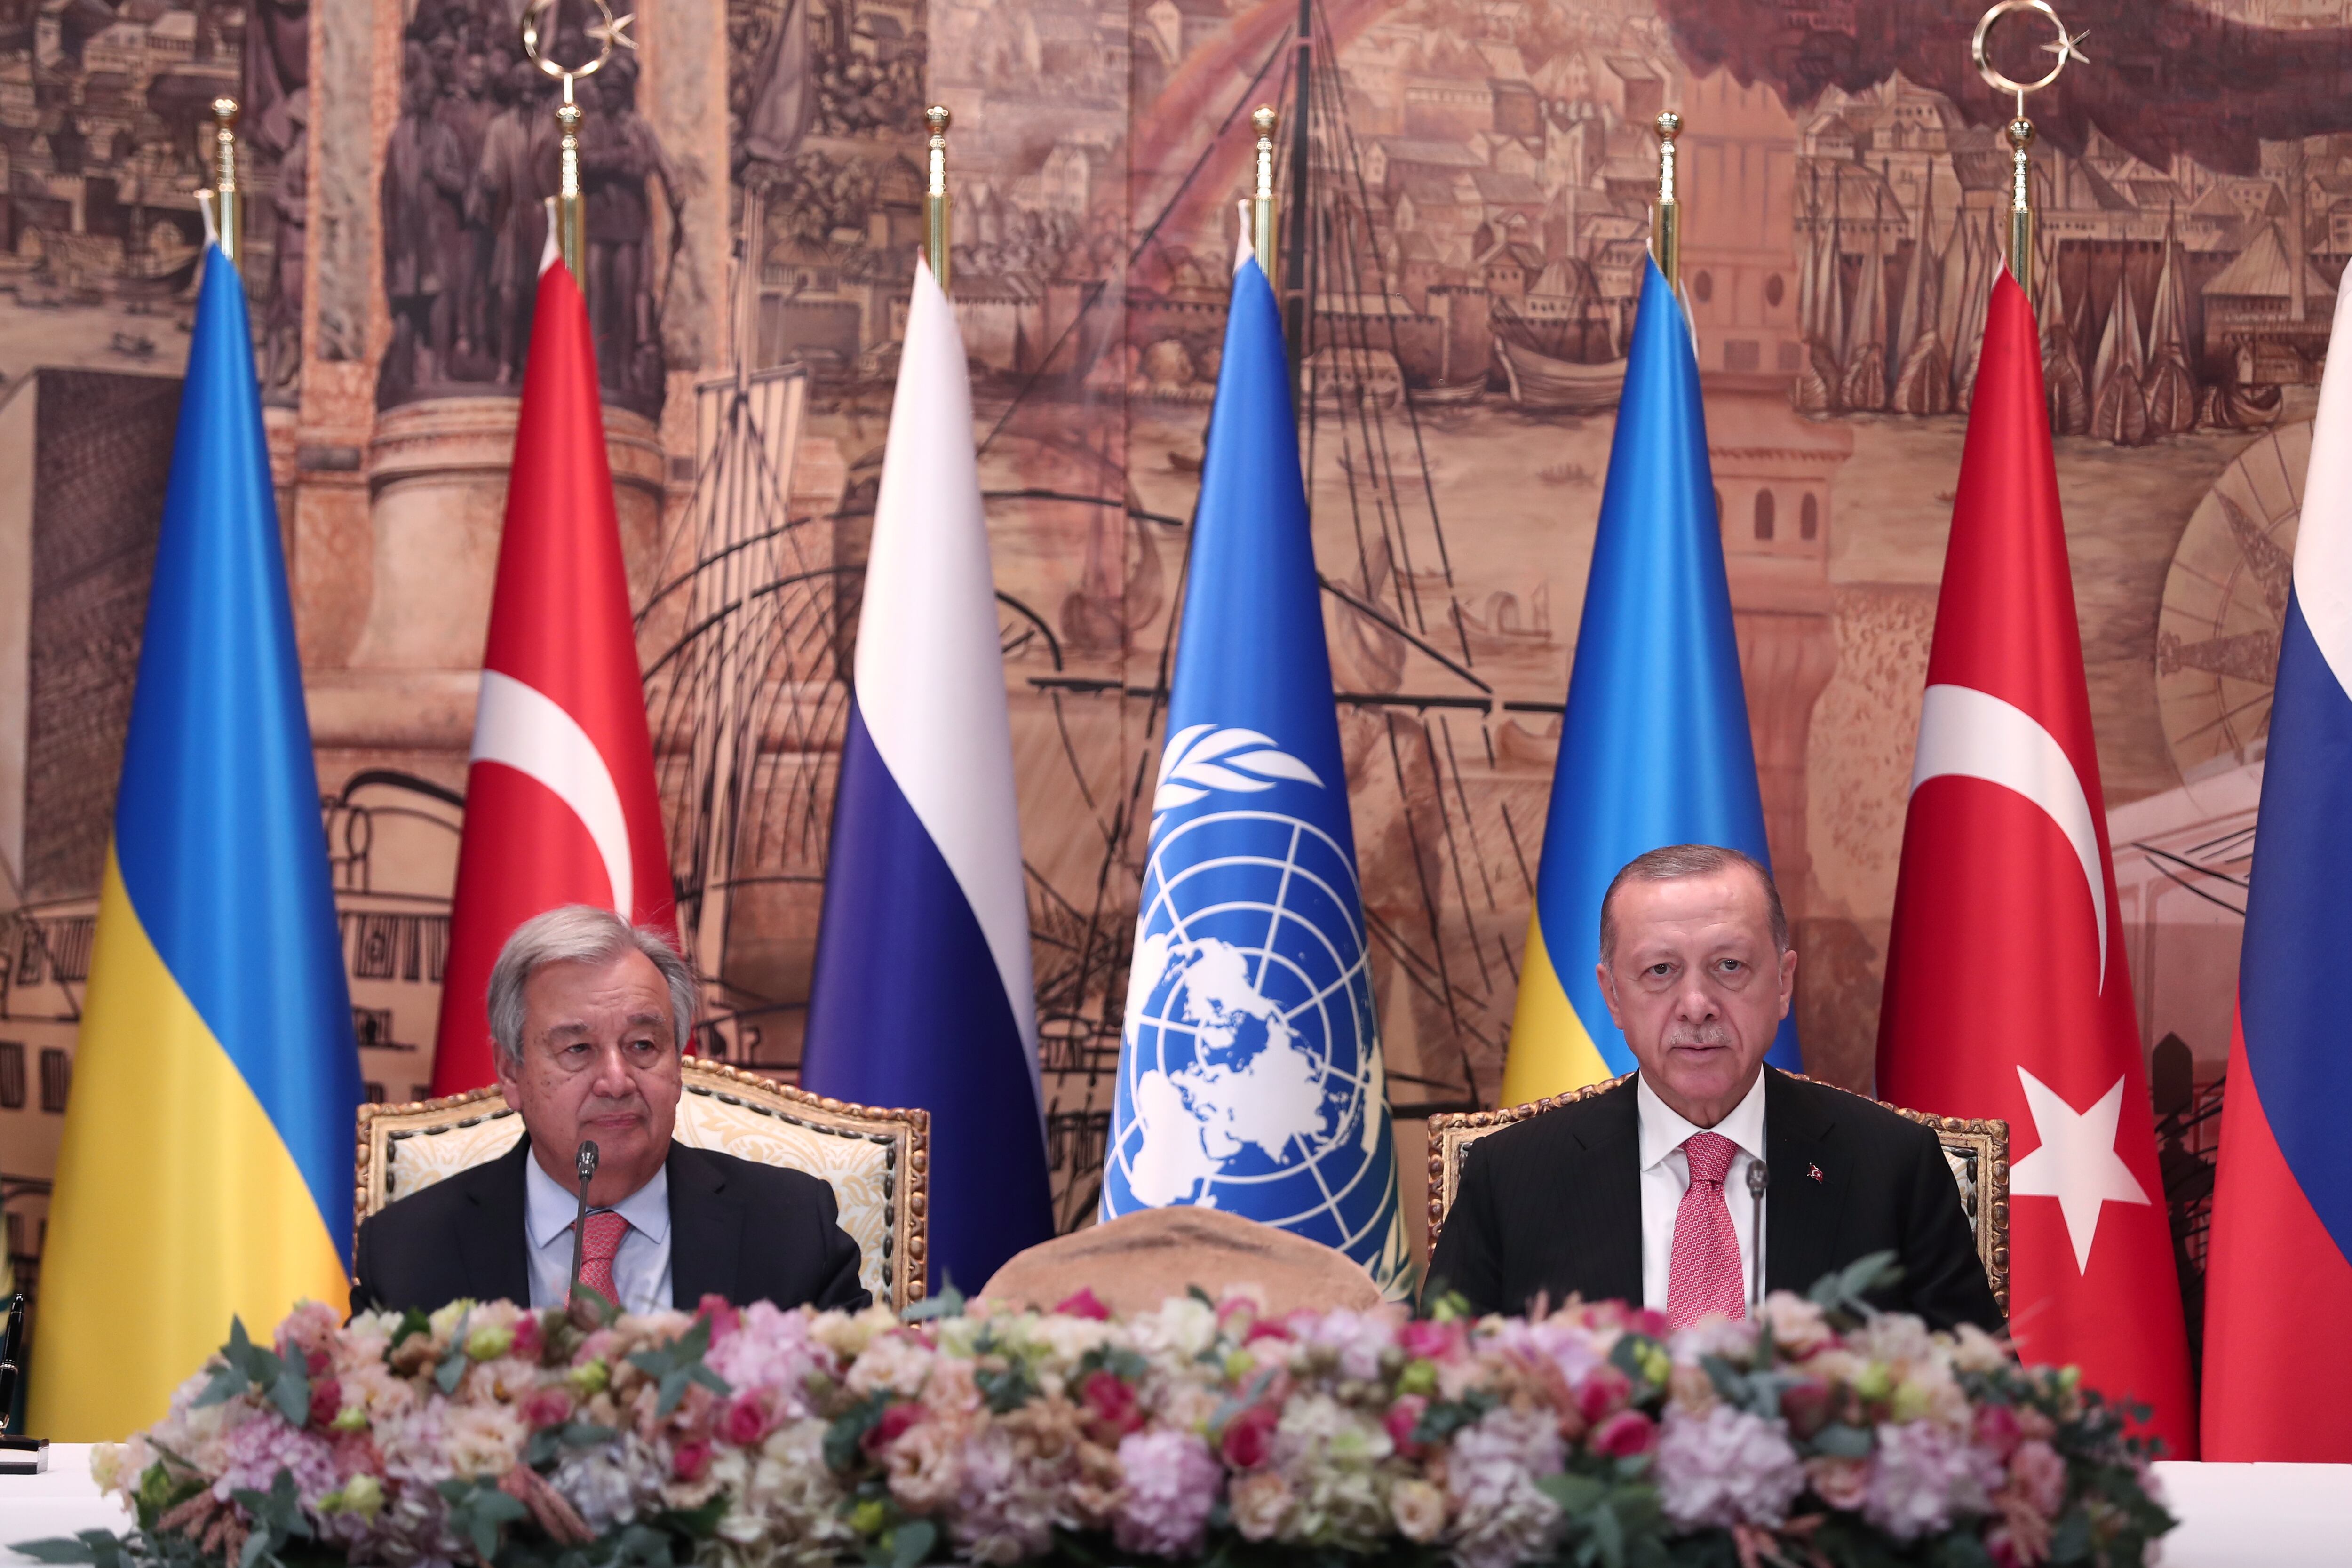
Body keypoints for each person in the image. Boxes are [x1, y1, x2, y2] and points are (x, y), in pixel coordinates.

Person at [1429, 844, 2001, 1331]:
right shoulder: (1512, 1176)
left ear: (1782, 983)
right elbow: (1437, 1404)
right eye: (1660, 971)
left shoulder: (1892, 1167)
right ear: (1611, 997)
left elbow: (1984, 1408)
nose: (1696, 1006)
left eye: (1729, 966)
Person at [351, 907, 869, 1316]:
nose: (617, 1081)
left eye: (643, 1045)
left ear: (679, 1060)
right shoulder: (409, 1252)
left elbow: (864, 1430)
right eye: (577, 1050)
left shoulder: (792, 1231)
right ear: (511, 1073)